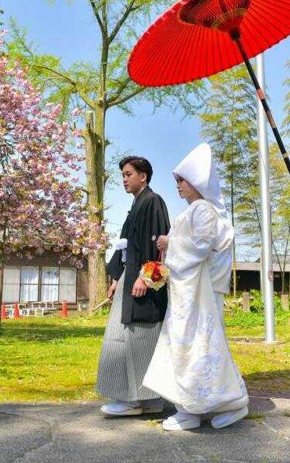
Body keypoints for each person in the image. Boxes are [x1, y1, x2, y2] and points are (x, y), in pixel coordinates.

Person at [142, 143, 248, 431]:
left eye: (182, 180)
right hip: (186, 290)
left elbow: (201, 247)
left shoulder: (203, 209)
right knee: (191, 346)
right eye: (177, 180)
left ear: (198, 182)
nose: (178, 186)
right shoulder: (195, 210)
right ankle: (192, 406)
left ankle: (220, 403)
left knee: (197, 346)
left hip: (195, 292)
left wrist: (170, 243)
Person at [96, 156, 170, 416]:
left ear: (144, 176)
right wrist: (116, 278)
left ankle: (133, 400)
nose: (125, 179)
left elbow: (159, 245)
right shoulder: (137, 205)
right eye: (123, 175)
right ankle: (149, 399)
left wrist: (145, 278)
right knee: (124, 336)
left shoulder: (153, 201)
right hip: (130, 277)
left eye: (129, 174)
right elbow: (125, 246)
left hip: (143, 280)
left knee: (138, 337)